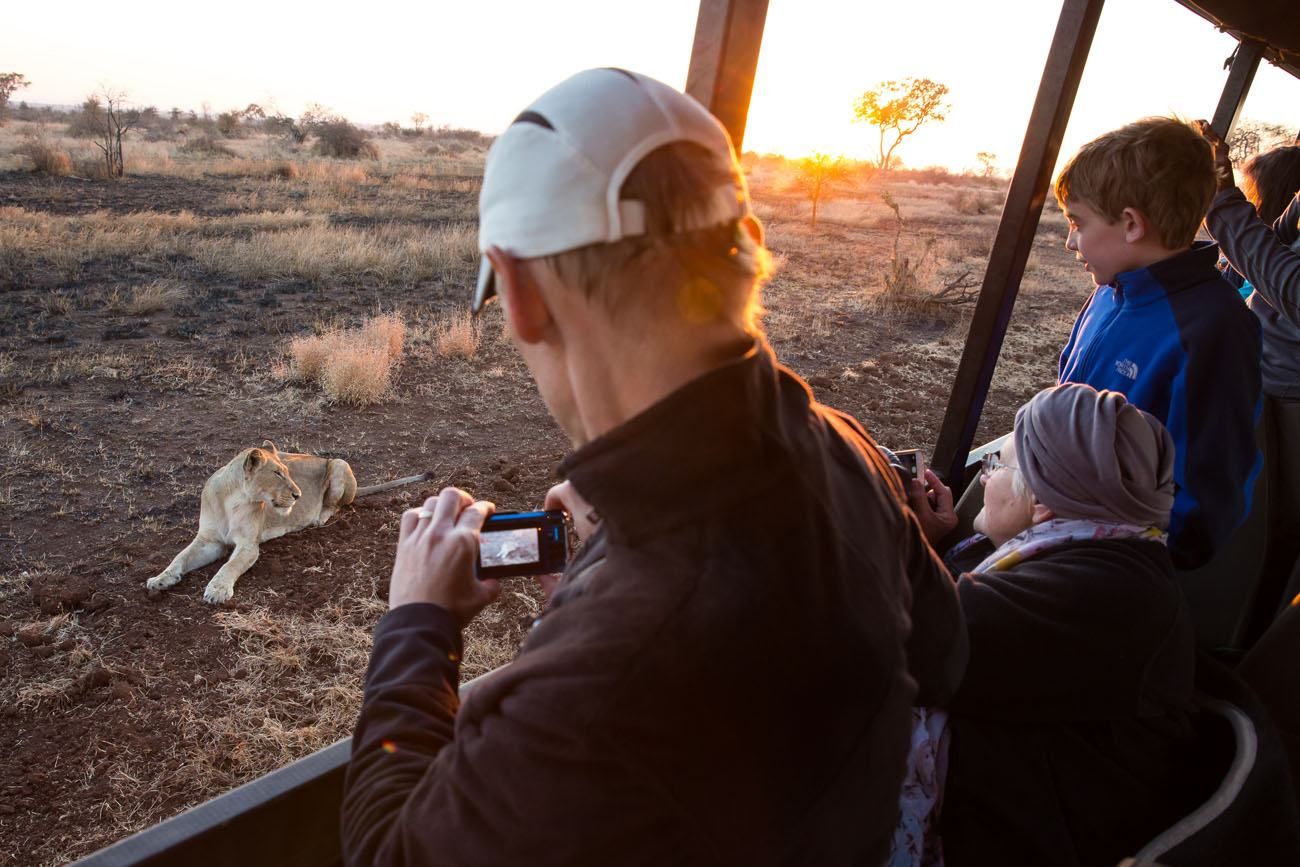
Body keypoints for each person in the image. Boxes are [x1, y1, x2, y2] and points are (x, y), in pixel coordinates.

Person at [340, 68, 968, 867]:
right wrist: (612, 562)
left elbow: (389, 856)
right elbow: (946, 653)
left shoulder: (613, 667)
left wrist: (417, 623)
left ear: (523, 290)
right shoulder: (845, 451)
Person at [907, 383, 1200, 866]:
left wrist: (896, 536)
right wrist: (932, 542)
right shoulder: (1112, 554)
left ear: (1043, 499)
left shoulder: (1106, 595)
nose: (985, 479)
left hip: (1019, 835)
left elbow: (904, 637)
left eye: (995, 464)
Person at [1052, 116, 1263, 570]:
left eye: (1077, 222)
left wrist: (1140, 565)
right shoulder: (1109, 294)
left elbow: (1207, 492)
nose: (1070, 241)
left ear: (1131, 224)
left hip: (1114, 564)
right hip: (1061, 525)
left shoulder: (1214, 329)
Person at [1196, 123, 1300, 620]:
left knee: (1266, 537)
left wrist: (1223, 201)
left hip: (1291, 395)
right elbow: (1274, 246)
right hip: (1269, 380)